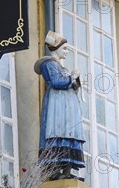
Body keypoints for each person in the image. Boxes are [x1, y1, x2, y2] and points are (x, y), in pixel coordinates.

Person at [34, 31, 85, 179]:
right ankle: (54, 171)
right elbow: (56, 82)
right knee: (57, 133)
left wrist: (76, 83)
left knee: (68, 135)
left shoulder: (61, 67)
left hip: (66, 110)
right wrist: (72, 77)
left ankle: (67, 172)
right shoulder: (49, 64)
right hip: (57, 108)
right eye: (64, 48)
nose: (67, 52)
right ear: (55, 48)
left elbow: (68, 85)